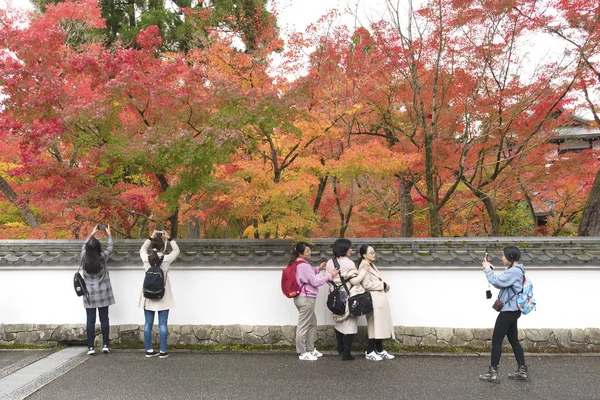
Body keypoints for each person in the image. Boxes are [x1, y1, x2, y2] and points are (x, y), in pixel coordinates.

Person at [479, 245, 529, 383]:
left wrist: (488, 270)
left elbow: (497, 281)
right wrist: (490, 270)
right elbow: (501, 281)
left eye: (503, 255)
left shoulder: (514, 272)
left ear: (510, 258)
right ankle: (522, 370)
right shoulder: (515, 270)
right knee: (513, 340)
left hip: (508, 312)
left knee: (496, 341)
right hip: (513, 311)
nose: (502, 258)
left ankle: (493, 372)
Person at [291, 242, 339, 361]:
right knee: (304, 325)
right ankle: (303, 352)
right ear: (300, 253)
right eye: (307, 251)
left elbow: (308, 276)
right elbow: (315, 282)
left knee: (312, 323)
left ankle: (310, 349)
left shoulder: (299, 263)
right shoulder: (303, 265)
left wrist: (318, 268)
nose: (310, 253)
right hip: (306, 299)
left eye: (309, 250)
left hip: (302, 298)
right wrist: (330, 276)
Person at [138, 230, 180, 359]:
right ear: (162, 246)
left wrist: (150, 237)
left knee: (147, 324)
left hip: (148, 294)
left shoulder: (146, 258)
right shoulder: (166, 259)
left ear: (152, 246)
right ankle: (162, 351)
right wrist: (170, 238)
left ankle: (149, 350)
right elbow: (176, 250)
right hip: (163, 294)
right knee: (163, 324)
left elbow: (142, 249)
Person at [325, 238, 368, 361]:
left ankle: (340, 348)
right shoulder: (349, 263)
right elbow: (355, 280)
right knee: (350, 324)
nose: (351, 250)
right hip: (347, 296)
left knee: (338, 321)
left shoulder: (329, 262)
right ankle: (346, 353)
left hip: (334, 295)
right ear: (344, 249)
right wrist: (364, 271)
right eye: (350, 248)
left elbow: (327, 278)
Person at [80, 224, 114, 355]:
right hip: (103, 293)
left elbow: (84, 247)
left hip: (89, 295)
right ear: (99, 248)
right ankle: (105, 345)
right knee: (104, 319)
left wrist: (92, 233)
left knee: (90, 320)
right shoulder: (102, 258)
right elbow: (110, 248)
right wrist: (109, 234)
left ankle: (90, 347)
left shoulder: (84, 258)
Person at [357, 245, 395, 361]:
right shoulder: (364, 266)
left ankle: (379, 350)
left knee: (378, 326)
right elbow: (366, 284)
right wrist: (381, 285)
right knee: (374, 326)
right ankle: (369, 351)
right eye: (371, 252)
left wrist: (383, 285)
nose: (374, 254)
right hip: (373, 300)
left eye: (374, 252)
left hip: (377, 299)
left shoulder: (370, 264)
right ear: (364, 255)